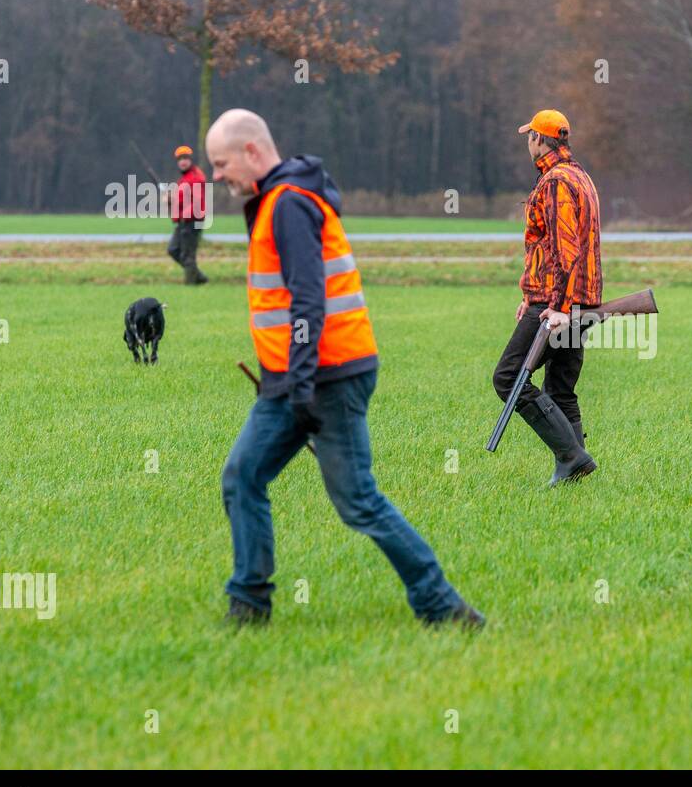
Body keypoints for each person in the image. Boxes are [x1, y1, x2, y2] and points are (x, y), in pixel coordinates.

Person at [205, 108, 484, 628]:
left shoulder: (289, 203)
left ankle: (443, 607)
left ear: (250, 151)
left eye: (221, 163)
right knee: (242, 475)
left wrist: (303, 385)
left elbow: (308, 300)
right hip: (295, 378)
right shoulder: (275, 199)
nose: (217, 176)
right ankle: (248, 604)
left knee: (358, 501)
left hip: (327, 376)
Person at [491, 109, 602, 486]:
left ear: (540, 140)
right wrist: (532, 294)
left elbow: (564, 249)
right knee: (560, 388)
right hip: (580, 300)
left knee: (507, 378)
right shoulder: (580, 177)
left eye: (530, 136)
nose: (528, 142)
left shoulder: (555, 182)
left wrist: (556, 306)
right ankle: (575, 468)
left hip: (558, 304)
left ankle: (571, 456)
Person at [166, 144, 209, 284]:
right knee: (173, 249)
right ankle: (199, 277)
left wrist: (172, 201)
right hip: (183, 221)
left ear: (191, 160)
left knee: (188, 256)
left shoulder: (195, 178)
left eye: (185, 158)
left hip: (191, 221)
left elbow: (196, 203)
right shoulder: (184, 179)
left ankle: (191, 284)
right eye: (180, 159)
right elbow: (180, 200)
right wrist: (170, 200)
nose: (183, 161)